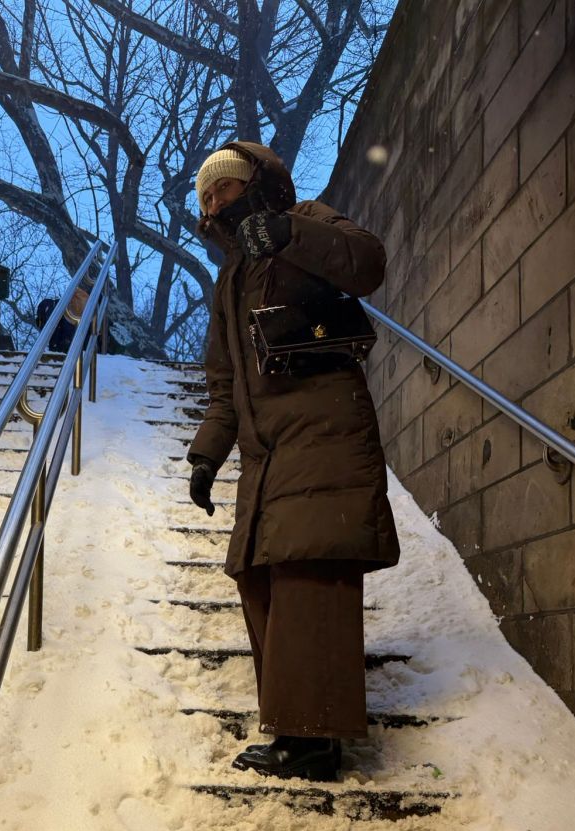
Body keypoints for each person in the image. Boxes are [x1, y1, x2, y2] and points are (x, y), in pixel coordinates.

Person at [187, 141, 400, 782]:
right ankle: (295, 725)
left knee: (310, 575)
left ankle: (314, 738)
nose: (217, 199)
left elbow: (367, 264)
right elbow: (225, 384)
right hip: (265, 455)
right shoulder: (229, 282)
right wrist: (205, 455)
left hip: (321, 434)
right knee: (259, 579)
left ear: (257, 179)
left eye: (225, 185)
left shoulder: (308, 218)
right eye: (207, 196)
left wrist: (286, 233)